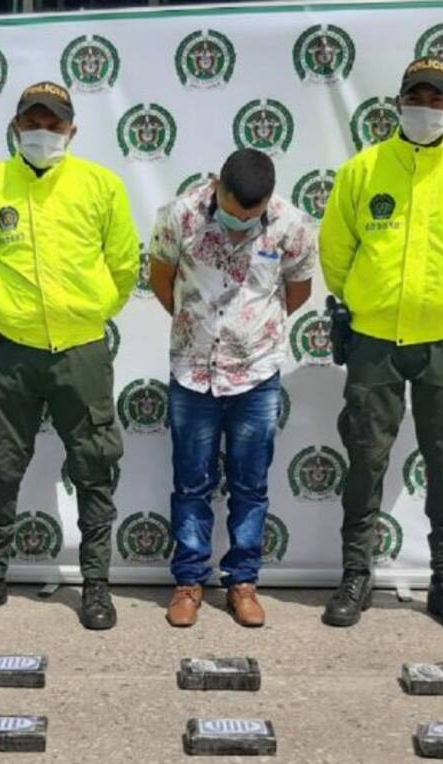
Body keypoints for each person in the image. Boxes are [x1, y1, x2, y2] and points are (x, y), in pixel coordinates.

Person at [319, 57, 443, 633]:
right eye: (416, 96)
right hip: (375, 340)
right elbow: (335, 250)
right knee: (366, 459)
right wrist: (365, 298)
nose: (426, 106)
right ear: (398, 102)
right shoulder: (363, 169)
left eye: (437, 97)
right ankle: (356, 575)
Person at [0, 81, 139, 630]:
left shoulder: (99, 186)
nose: (42, 133)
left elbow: (125, 264)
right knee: (1, 465)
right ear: (16, 127)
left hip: (80, 353)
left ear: (72, 130)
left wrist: (89, 311)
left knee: (93, 466)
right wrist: (11, 312)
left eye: (53, 124)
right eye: (32, 123)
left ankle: (97, 586)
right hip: (14, 352)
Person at [149, 150, 316, 628]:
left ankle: (242, 583)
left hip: (257, 376)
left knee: (250, 485)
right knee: (191, 483)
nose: (242, 225)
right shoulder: (179, 216)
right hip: (192, 373)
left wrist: (253, 332)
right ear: (218, 185)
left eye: (252, 217)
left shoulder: (292, 225)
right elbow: (161, 280)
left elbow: (296, 293)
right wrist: (193, 327)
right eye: (233, 213)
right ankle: (188, 583)